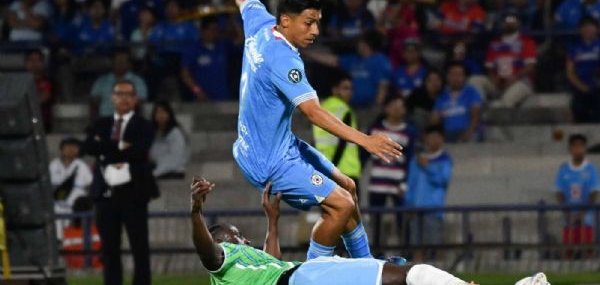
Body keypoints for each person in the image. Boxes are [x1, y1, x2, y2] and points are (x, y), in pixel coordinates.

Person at [230, 0, 401, 262]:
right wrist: (365, 140)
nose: (315, 31)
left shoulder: (262, 25)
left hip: (269, 145)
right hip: (269, 162)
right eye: (309, 23)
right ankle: (312, 275)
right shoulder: (286, 62)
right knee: (340, 205)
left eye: (318, 23)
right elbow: (314, 113)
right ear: (287, 21)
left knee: (349, 189)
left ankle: (366, 268)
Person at [190, 177, 551, 285]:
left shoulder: (246, 267)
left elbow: (272, 262)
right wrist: (196, 211)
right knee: (409, 274)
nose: (243, 238)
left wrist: (272, 220)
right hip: (306, 279)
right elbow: (206, 250)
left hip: (302, 275)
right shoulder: (221, 260)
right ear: (224, 240)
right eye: (237, 235)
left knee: (404, 275)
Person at [83, 79, 157, 285]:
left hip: (134, 194)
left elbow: (139, 151)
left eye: (128, 94)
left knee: (139, 248)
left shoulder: (144, 125)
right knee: (109, 249)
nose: (123, 98)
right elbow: (89, 147)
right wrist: (121, 145)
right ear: (112, 97)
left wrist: (106, 148)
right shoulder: (101, 123)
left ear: (135, 99)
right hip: (105, 195)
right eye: (119, 93)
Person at [366, 95, 417, 249]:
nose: (397, 109)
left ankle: (406, 255)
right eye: (394, 105)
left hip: (398, 184)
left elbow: (411, 160)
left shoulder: (409, 132)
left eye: (400, 106)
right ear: (386, 108)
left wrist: (405, 184)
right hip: (377, 182)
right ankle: (376, 254)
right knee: (376, 221)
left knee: (403, 221)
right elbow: (363, 156)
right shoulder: (375, 129)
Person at [405, 125, 452, 262]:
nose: (430, 140)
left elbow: (443, 180)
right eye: (428, 137)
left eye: (433, 137)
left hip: (433, 209)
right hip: (415, 208)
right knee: (416, 246)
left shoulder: (444, 159)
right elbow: (411, 183)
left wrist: (428, 167)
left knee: (435, 245)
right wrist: (408, 203)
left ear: (440, 139)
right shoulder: (416, 160)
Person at [307, 32, 392, 108]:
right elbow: (332, 60)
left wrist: (377, 107)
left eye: (360, 42)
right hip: (351, 104)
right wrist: (306, 53)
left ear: (366, 44)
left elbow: (383, 86)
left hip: (368, 106)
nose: (357, 44)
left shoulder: (380, 60)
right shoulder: (354, 59)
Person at [469, 12, 537, 108]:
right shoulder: (495, 43)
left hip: (520, 82)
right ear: (502, 23)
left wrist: (515, 77)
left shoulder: (526, 42)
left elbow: (531, 66)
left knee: (506, 102)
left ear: (519, 23)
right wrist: (493, 78)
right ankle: (482, 108)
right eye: (506, 20)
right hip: (499, 84)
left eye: (513, 19)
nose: (509, 22)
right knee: (474, 80)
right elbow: (490, 67)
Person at [312, 72, 361, 189]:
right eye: (345, 88)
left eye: (351, 89)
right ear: (334, 90)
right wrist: (334, 169)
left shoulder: (320, 108)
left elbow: (314, 140)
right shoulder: (345, 110)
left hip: (323, 169)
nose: (349, 92)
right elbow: (343, 141)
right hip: (345, 170)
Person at [554, 134, 600, 257]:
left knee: (587, 250)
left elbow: (594, 193)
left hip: (586, 218)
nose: (578, 150)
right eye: (575, 146)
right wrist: (567, 212)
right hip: (569, 218)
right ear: (570, 148)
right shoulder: (564, 169)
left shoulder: (591, 169)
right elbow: (559, 192)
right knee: (568, 250)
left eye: (581, 146)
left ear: (585, 148)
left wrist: (581, 213)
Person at [566, 18, 600, 123]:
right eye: (585, 27)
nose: (588, 30)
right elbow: (570, 72)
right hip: (581, 86)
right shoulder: (574, 47)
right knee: (578, 105)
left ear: (596, 29)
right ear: (580, 30)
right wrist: (581, 86)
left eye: (591, 26)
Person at [180, 18, 230, 102]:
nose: (215, 33)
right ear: (203, 30)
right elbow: (185, 75)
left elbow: (240, 39)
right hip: (201, 99)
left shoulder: (223, 46)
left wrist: (232, 19)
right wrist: (197, 91)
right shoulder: (193, 49)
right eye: (212, 29)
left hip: (223, 97)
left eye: (217, 30)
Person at [431, 63, 482, 143]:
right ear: (448, 77)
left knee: (474, 136)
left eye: (459, 75)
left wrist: (469, 132)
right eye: (453, 75)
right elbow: (435, 117)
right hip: (447, 133)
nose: (456, 78)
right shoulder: (442, 95)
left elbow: (475, 115)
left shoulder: (472, 92)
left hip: (467, 131)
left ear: (464, 77)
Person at [90, 49, 148, 119]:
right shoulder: (101, 81)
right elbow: (94, 103)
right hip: (105, 119)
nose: (119, 64)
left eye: (122, 62)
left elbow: (140, 103)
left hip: (129, 121)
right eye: (117, 61)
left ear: (128, 64)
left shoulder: (138, 81)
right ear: (112, 62)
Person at [50, 137, 92, 218]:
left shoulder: (81, 165)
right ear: (62, 149)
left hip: (76, 210)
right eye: (68, 146)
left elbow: (91, 184)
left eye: (74, 147)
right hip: (57, 209)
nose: (71, 149)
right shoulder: (53, 165)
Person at [150, 101, 188, 179]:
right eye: (158, 113)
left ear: (169, 114)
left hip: (173, 171)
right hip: (157, 168)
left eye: (163, 112)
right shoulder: (152, 132)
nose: (161, 115)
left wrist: (156, 172)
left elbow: (176, 158)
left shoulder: (176, 133)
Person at [25, 48, 54, 131]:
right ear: (25, 63)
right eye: (31, 60)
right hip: (23, 122)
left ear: (43, 63)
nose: (34, 64)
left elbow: (43, 99)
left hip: (43, 124)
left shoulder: (49, 82)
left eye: (38, 60)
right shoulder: (19, 82)